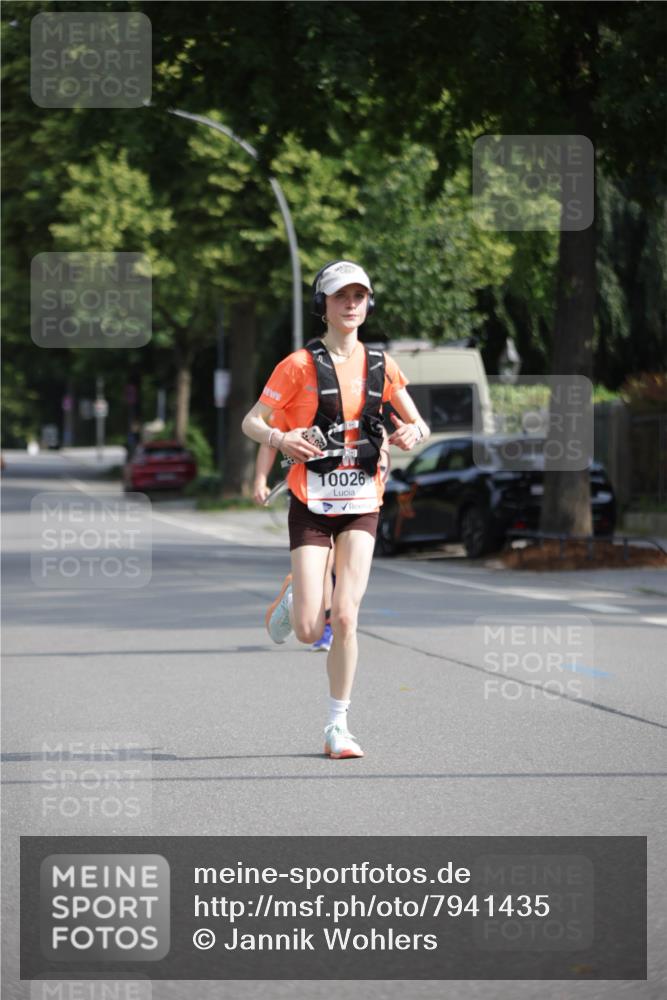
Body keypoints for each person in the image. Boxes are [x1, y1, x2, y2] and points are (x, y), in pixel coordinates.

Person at [242, 260, 429, 759]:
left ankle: (337, 727)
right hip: (311, 505)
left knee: (345, 616)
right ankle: (294, 598)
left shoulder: (382, 365)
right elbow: (252, 421)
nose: (351, 304)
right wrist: (281, 438)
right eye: (341, 296)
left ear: (368, 304)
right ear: (321, 305)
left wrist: (412, 433)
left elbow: (419, 424)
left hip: (363, 504)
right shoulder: (298, 366)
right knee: (309, 630)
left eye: (359, 296)